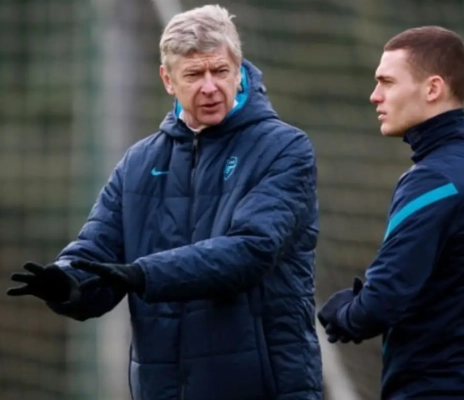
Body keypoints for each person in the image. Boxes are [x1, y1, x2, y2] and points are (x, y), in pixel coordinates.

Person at [7, 5, 323, 400]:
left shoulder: (284, 148)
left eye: (220, 71)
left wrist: (144, 274)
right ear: (167, 80)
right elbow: (99, 252)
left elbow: (250, 251)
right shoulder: (139, 162)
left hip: (263, 388)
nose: (210, 87)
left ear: (239, 71)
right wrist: (69, 281)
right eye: (194, 75)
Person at [317, 26, 464, 399]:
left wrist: (344, 314)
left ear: (432, 89)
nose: (374, 95)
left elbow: (381, 302)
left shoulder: (433, 180)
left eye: (387, 82)